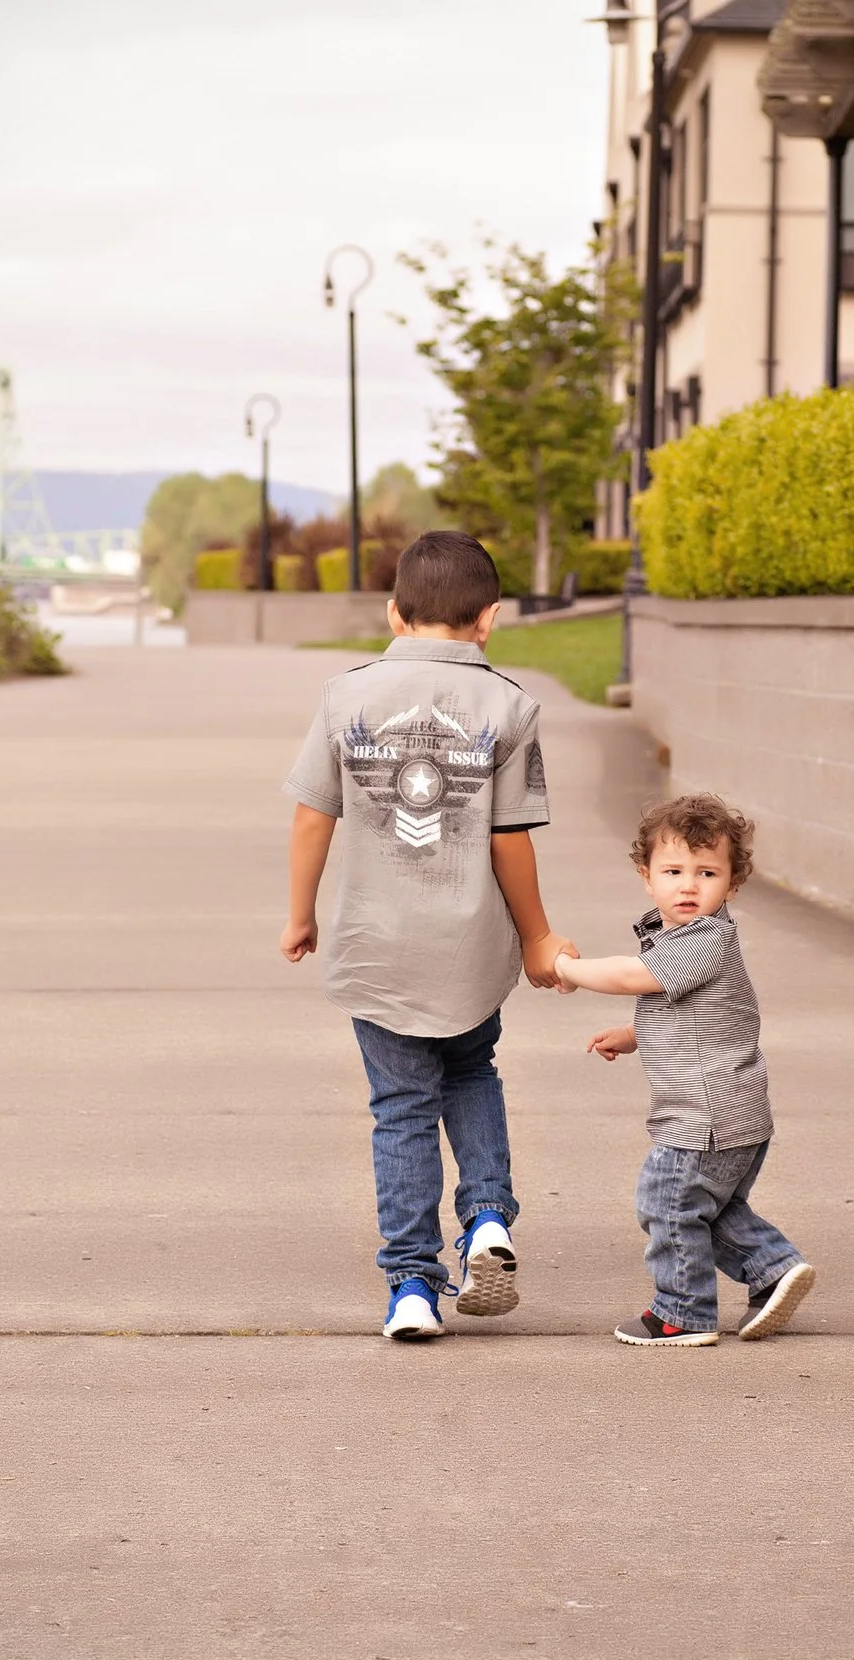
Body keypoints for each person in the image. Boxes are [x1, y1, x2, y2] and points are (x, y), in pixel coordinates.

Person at [281, 530, 576, 1341]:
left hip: (378, 950)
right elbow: (510, 838)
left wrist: (301, 912)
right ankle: (486, 1216)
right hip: (471, 946)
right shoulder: (509, 705)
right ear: (489, 619)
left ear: (392, 612)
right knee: (472, 1070)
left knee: (401, 1109)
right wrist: (540, 937)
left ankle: (412, 1285)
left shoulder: (345, 697)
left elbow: (313, 816)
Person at [553, 793, 816, 1347]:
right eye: (673, 871)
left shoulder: (704, 939)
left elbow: (632, 977)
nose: (689, 885)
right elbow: (698, 1014)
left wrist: (567, 968)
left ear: (733, 884)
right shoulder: (687, 941)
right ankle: (773, 1270)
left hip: (704, 1119)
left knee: (666, 1202)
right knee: (708, 1209)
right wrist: (634, 1035)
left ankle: (681, 1313)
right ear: (647, 877)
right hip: (735, 1114)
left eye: (707, 872)